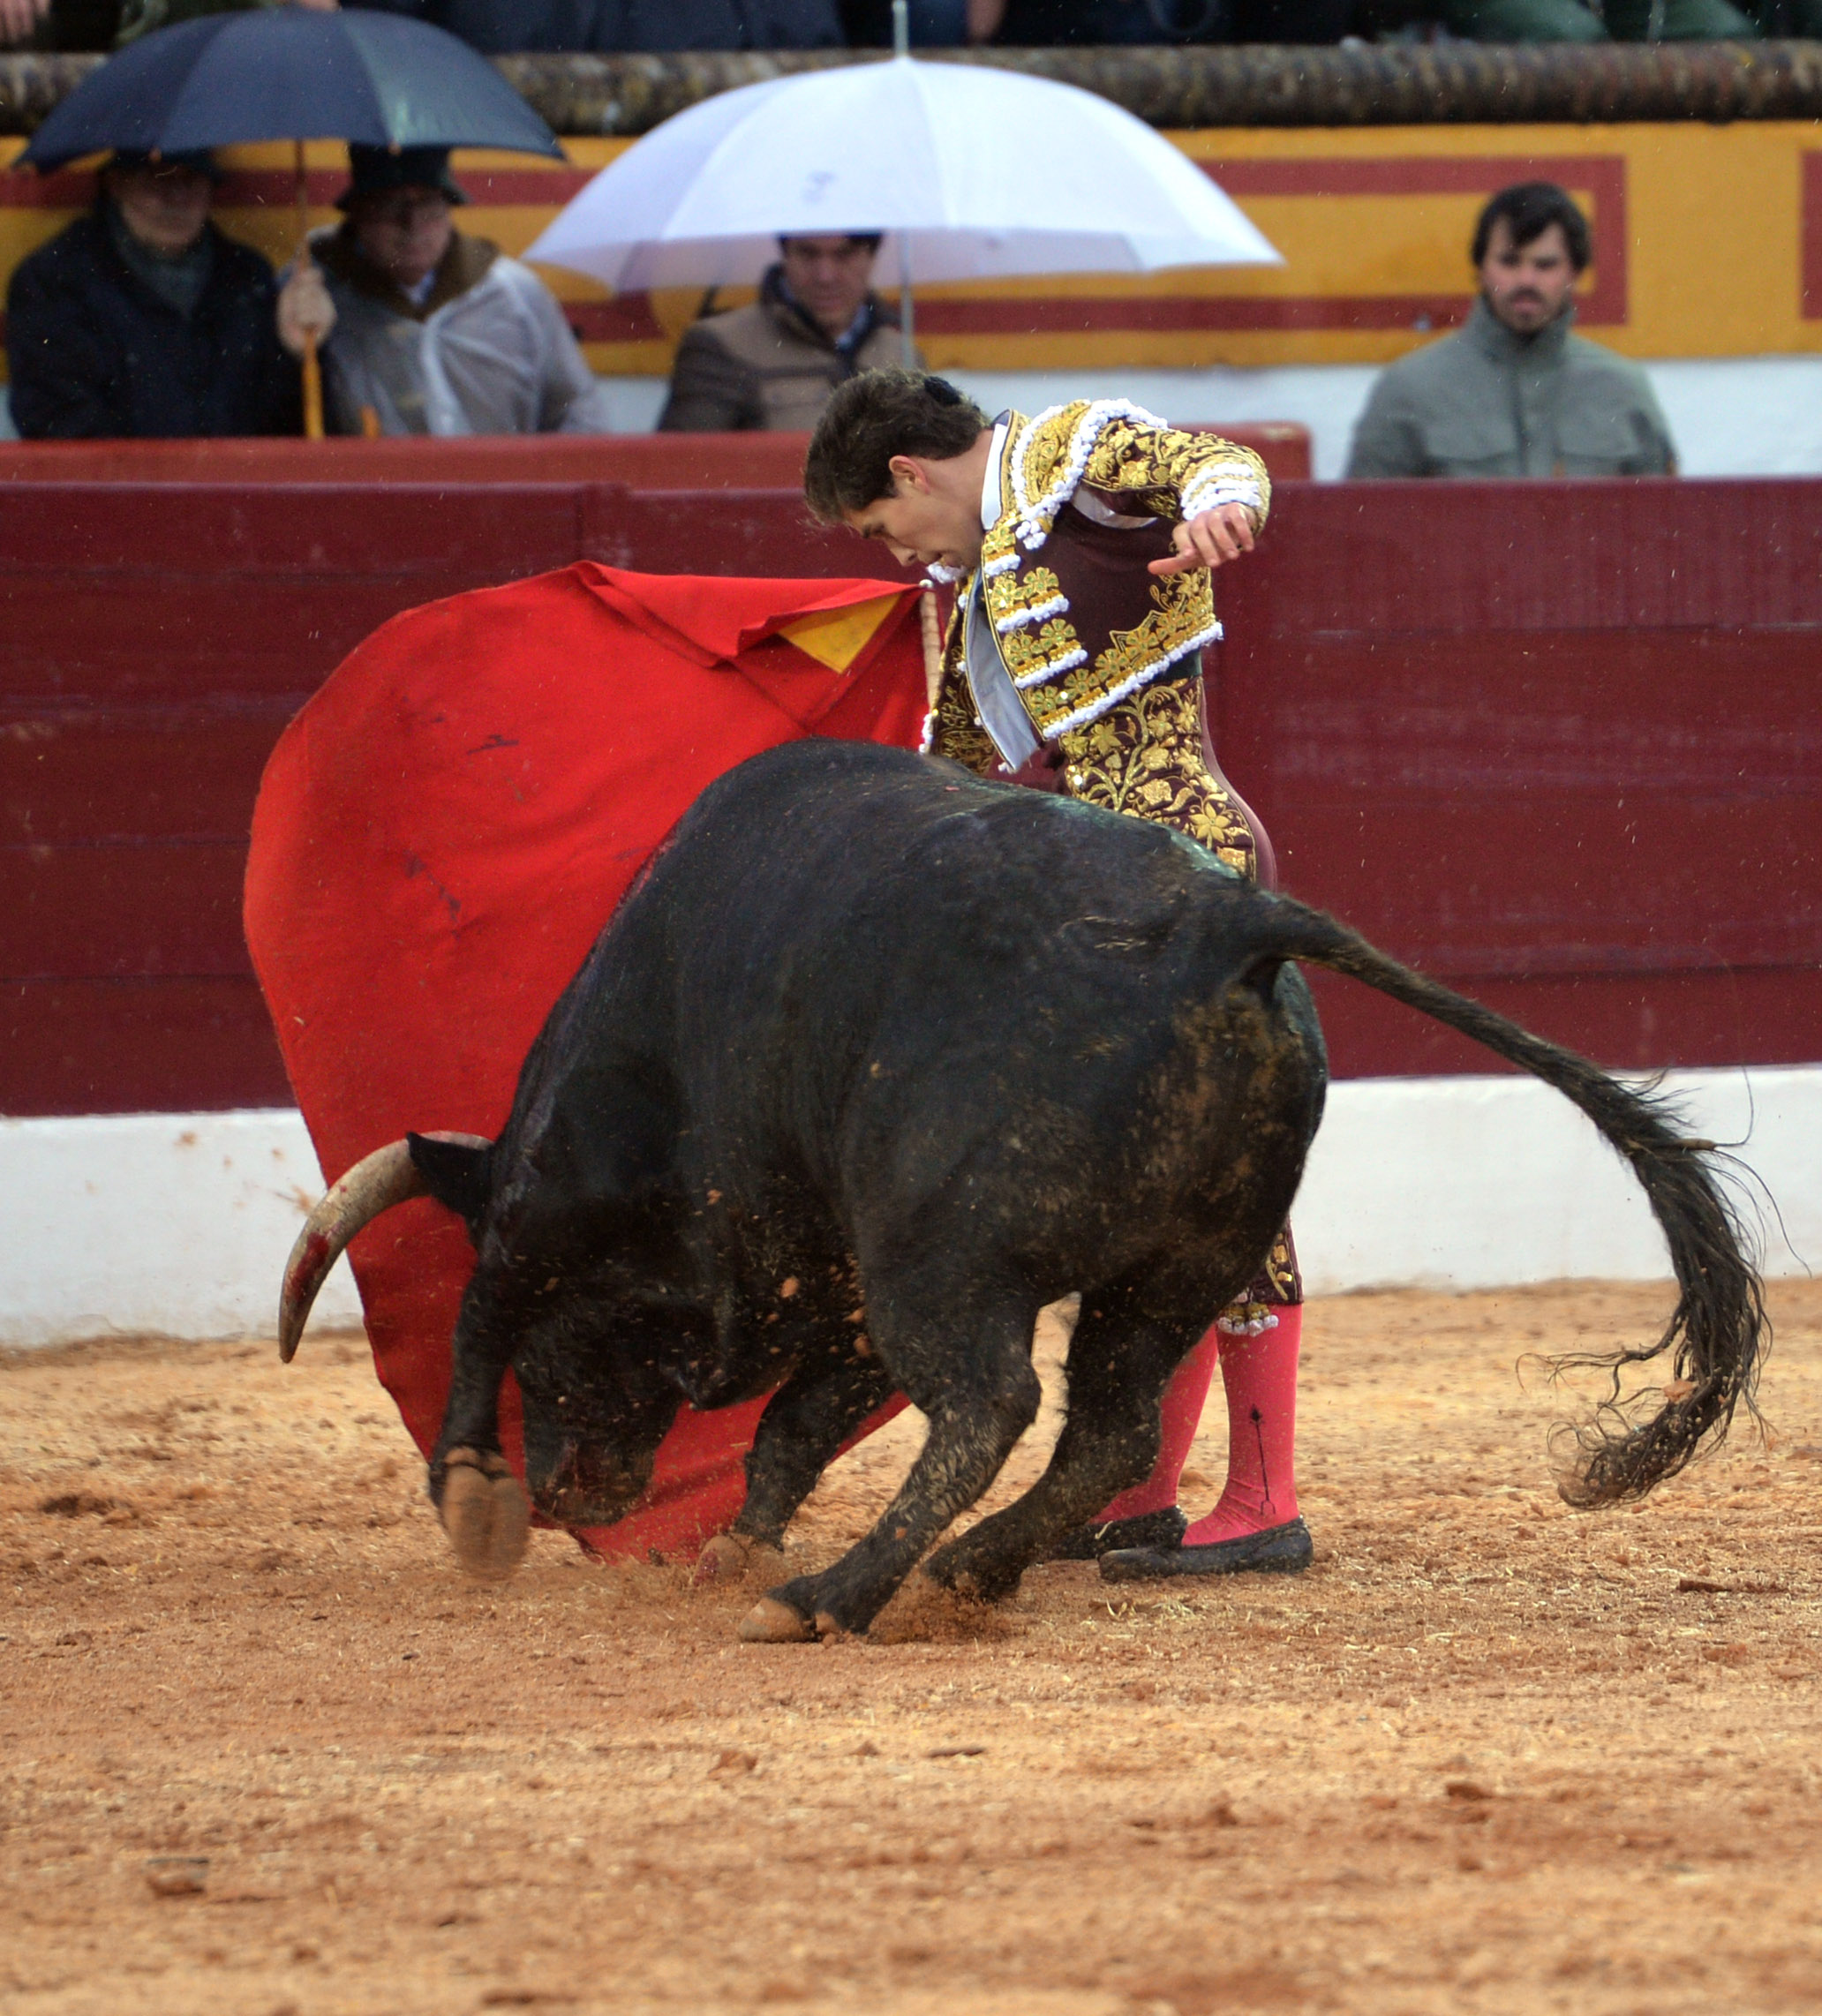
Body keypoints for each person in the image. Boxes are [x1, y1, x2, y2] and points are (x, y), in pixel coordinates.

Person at [805, 367, 1312, 1580]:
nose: (897, 556)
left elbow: (1214, 461)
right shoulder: (986, 576)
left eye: (881, 527)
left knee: (1227, 1187)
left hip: (1190, 873)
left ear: (909, 473)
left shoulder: (1073, 453)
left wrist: (1224, 507)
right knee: (1149, 1195)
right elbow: (956, 761)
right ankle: (1138, 1490)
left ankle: (1263, 1500)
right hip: (1115, 890)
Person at [1346, 182, 1675, 480]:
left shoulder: (1623, 391)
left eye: (1545, 265)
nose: (1526, 280)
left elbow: (1662, 520)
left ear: (1574, 273)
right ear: (1481, 268)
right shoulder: (1409, 390)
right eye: (1509, 262)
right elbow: (1364, 522)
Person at [296, 146, 613, 438]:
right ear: (358, 214)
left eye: (429, 204)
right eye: (390, 206)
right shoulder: (313, 293)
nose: (413, 225)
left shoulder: (516, 293)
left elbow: (578, 411)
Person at [6, 149, 322, 439]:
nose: (177, 197)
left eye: (191, 180)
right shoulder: (54, 280)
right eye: (158, 179)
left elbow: (284, 427)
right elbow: (56, 420)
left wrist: (296, 356)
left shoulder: (248, 276)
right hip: (118, 483)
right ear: (117, 184)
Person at [659, 234, 915, 434]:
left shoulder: (901, 353)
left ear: (872, 258)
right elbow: (681, 468)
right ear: (785, 254)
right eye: (808, 254)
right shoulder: (721, 344)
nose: (825, 276)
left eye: (844, 255)